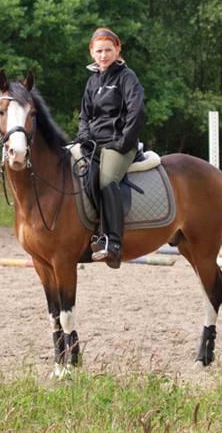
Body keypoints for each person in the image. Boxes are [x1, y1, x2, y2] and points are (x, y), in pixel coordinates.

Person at [75, 27, 146, 269]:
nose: (103, 55)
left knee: (106, 181)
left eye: (108, 50)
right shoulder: (92, 81)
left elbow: (137, 113)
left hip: (120, 144)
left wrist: (123, 142)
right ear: (92, 53)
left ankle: (113, 243)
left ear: (117, 50)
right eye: (99, 51)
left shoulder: (127, 77)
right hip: (94, 143)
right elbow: (84, 116)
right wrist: (83, 136)